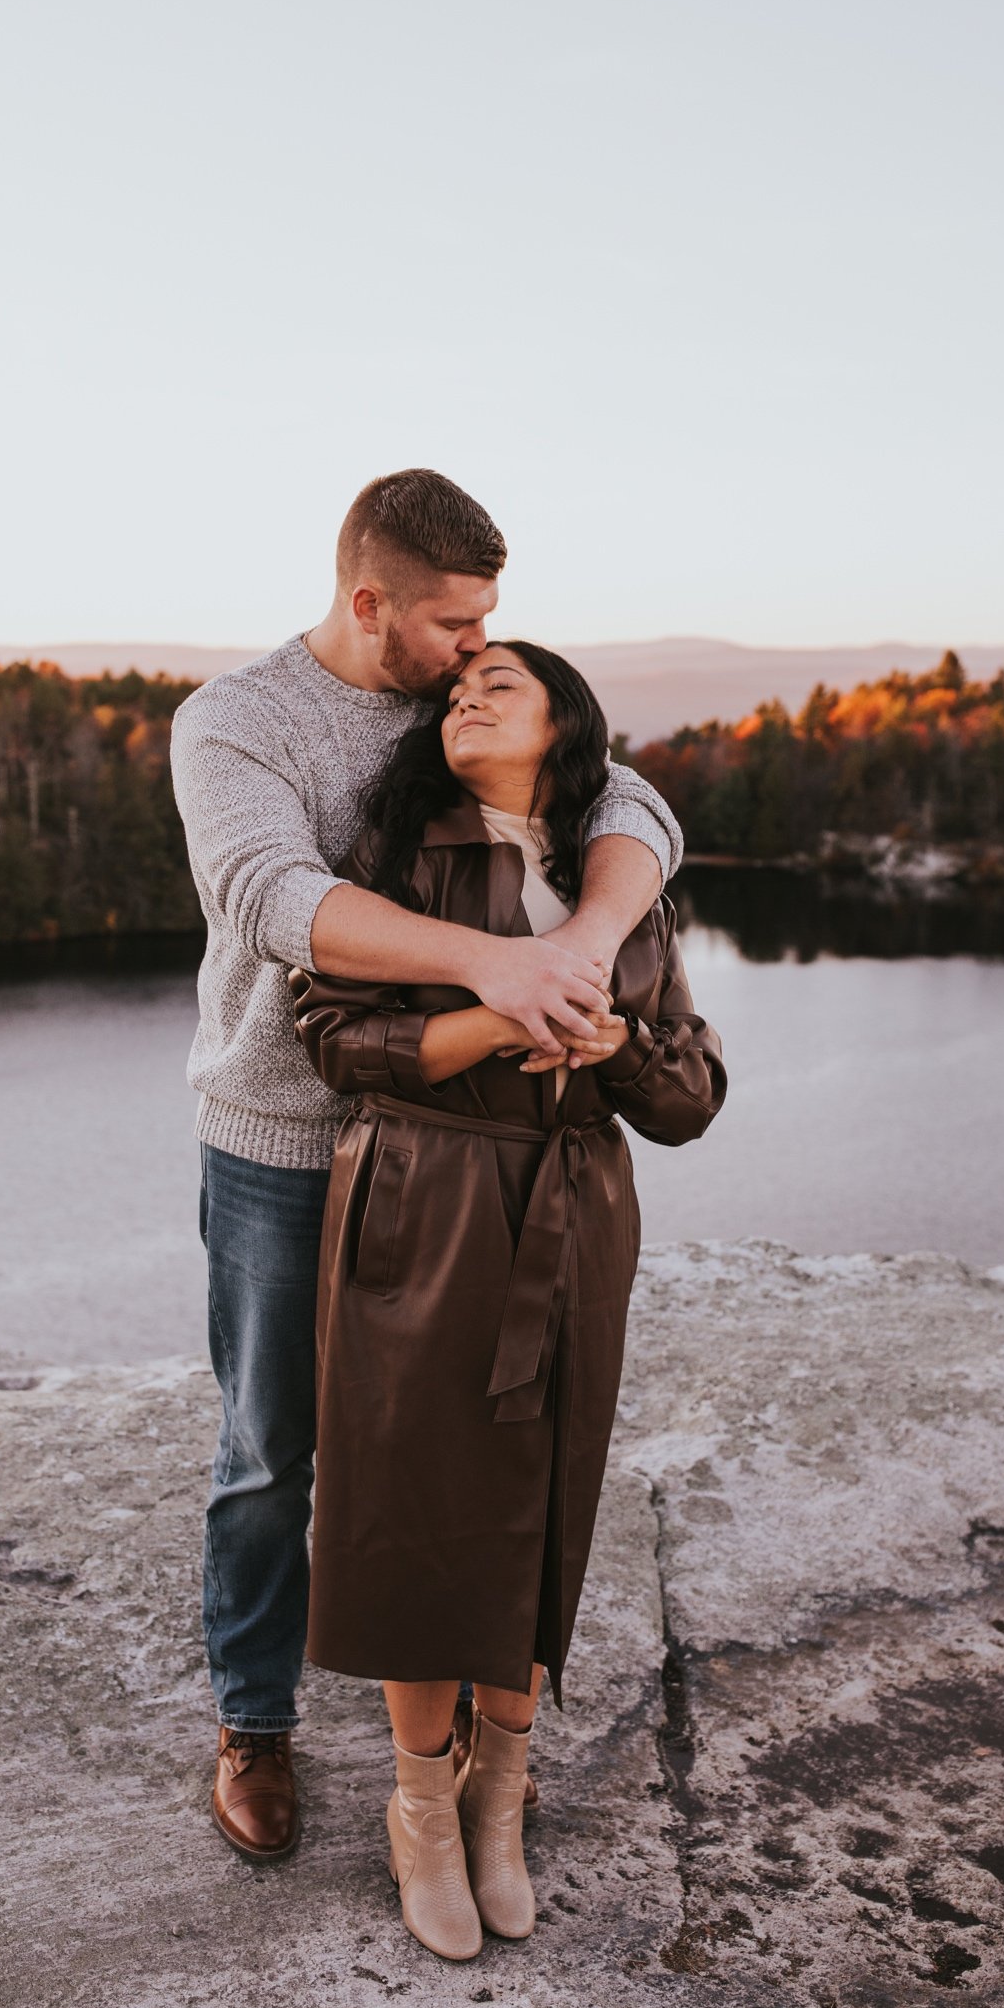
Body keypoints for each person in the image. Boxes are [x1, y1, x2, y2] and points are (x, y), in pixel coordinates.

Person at [168, 470, 685, 1861]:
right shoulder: (239, 723)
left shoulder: (465, 698)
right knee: (274, 1452)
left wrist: (580, 953)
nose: (479, 647)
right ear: (369, 602)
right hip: (289, 1140)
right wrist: (497, 966)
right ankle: (255, 1721)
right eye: (457, 622)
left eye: (491, 623)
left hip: (451, 1161)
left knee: (453, 1454)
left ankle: (453, 1743)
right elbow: (274, 899)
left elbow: (630, 798)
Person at [289, 640, 726, 1958]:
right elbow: (330, 1038)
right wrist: (501, 1010)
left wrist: (619, 1046)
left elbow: (693, 1094)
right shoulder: (394, 860)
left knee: (544, 1508)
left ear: (566, 725)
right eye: (456, 688)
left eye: (502, 685)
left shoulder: (618, 880)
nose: (466, 695)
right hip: (421, 1204)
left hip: (573, 1209)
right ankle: (419, 1808)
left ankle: (501, 1799)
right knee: (418, 1506)